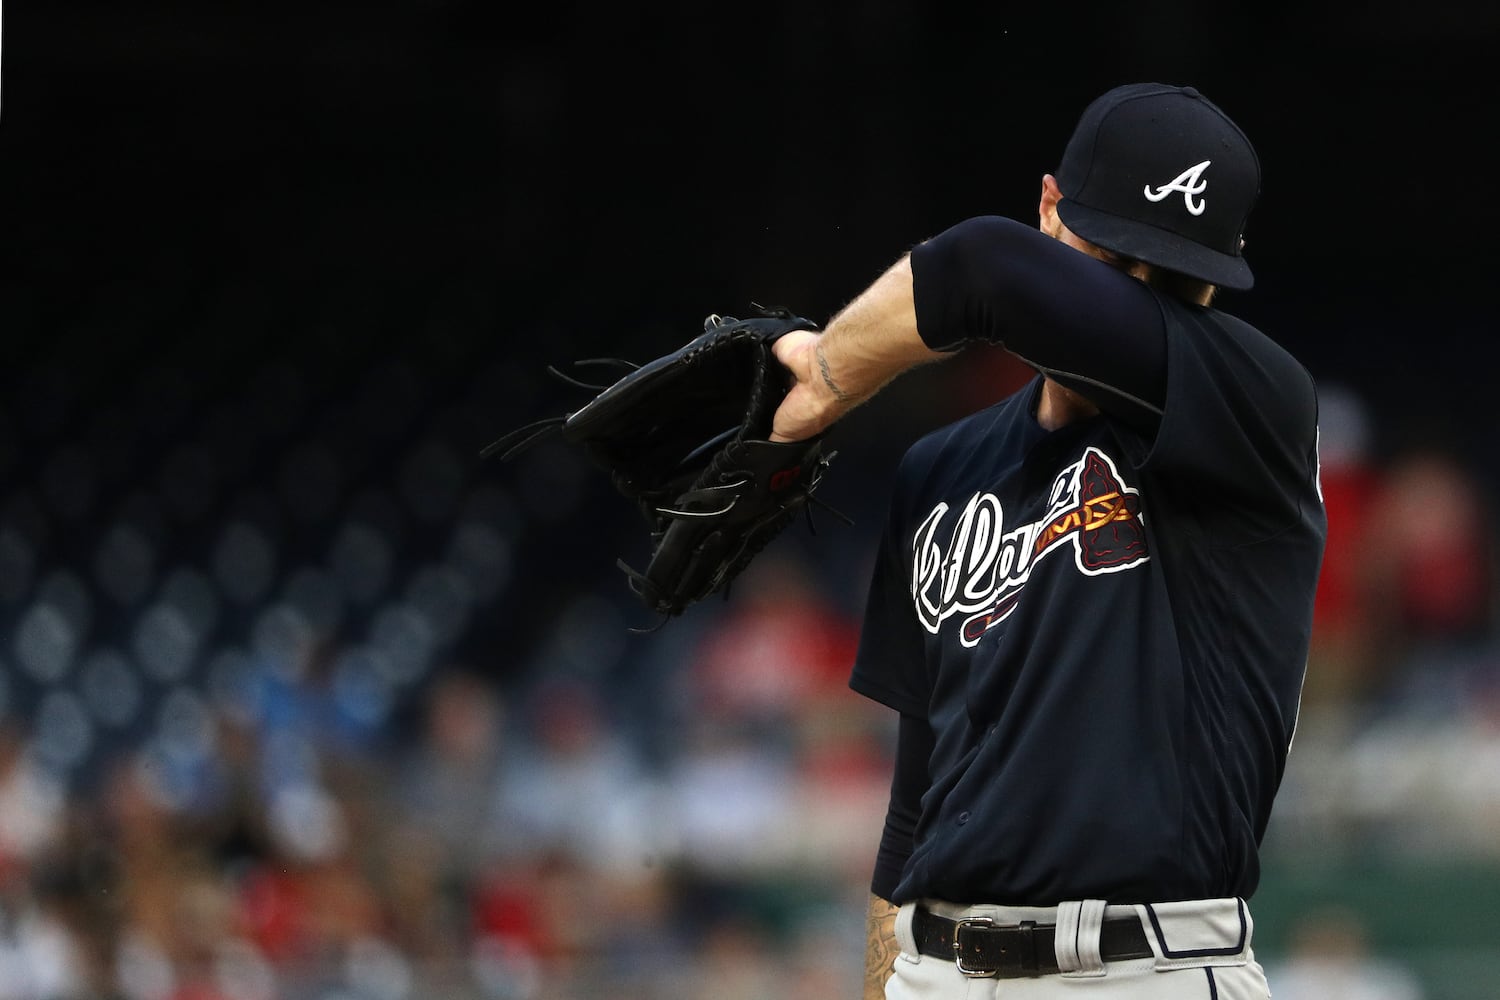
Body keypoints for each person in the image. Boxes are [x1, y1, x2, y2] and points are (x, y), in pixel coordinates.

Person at [767, 83, 1327, 999]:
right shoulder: (941, 467)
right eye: (1114, 259)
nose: (1137, 300)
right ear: (1049, 211)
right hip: (936, 967)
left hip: (1148, 968)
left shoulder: (1255, 410)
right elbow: (915, 806)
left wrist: (822, 378)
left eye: (1175, 278)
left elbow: (988, 269)